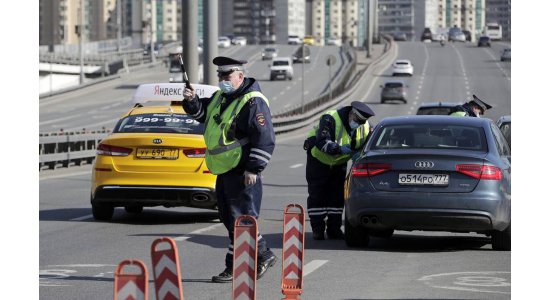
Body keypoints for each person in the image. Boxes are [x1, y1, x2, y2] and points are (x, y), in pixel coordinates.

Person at [181, 56, 277, 283]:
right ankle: (263, 253)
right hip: (224, 168)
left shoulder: (253, 101)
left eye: (227, 75)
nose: (223, 79)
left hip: (242, 170)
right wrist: (192, 100)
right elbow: (202, 115)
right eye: (220, 75)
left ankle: (235, 266)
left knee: (241, 219)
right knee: (229, 217)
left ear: (240, 76)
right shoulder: (220, 96)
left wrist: (254, 168)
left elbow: (264, 138)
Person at [304, 101, 375, 240]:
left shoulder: (365, 126)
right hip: (319, 161)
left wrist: (359, 154)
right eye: (356, 120)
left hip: (339, 164)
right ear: (351, 113)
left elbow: (367, 145)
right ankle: (317, 229)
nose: (357, 124)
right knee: (317, 196)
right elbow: (322, 141)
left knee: (336, 197)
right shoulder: (330, 118)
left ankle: (334, 229)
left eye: (361, 122)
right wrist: (338, 149)